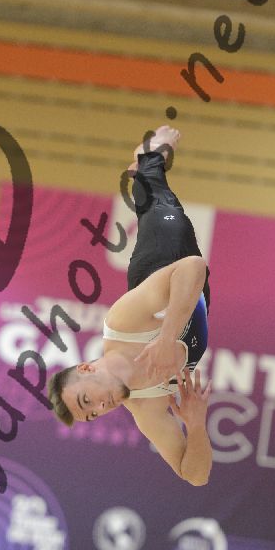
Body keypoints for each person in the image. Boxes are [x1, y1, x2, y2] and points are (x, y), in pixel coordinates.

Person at [48, 126, 213, 486]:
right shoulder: (146, 408)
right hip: (193, 298)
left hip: (163, 257)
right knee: (152, 198)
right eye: (92, 415)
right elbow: (195, 476)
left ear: (87, 368)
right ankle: (142, 172)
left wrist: (167, 339)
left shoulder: (122, 322)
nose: (101, 408)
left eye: (87, 400)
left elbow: (194, 267)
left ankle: (149, 159)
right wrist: (196, 425)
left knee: (162, 204)